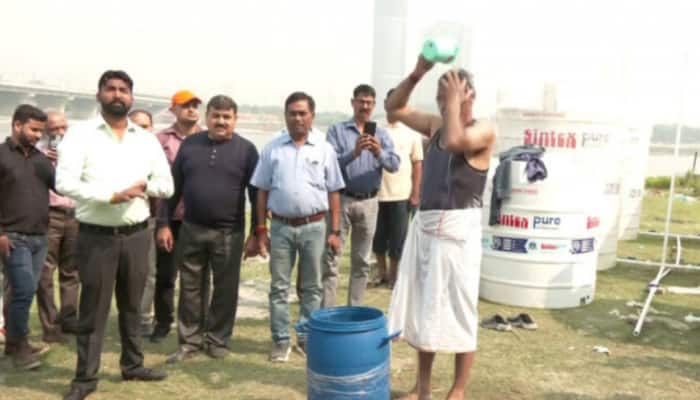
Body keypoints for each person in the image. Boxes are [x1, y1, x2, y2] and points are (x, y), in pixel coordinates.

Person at [57, 70, 173, 400]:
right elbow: (64, 182)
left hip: (138, 234)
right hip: (97, 236)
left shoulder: (146, 139)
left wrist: (143, 188)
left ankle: (133, 365)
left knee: (133, 305)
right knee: (93, 308)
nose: (117, 95)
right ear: (99, 95)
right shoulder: (80, 136)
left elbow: (167, 184)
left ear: (131, 97)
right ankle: (85, 377)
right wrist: (110, 195)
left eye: (124, 90)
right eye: (111, 89)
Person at [385, 57, 495, 400]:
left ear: (469, 94)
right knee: (424, 308)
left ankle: (458, 389)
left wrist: (453, 104)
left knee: (461, 308)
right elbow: (394, 106)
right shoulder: (435, 125)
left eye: (449, 91)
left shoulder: (483, 130)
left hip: (458, 234)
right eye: (440, 92)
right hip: (428, 230)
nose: (442, 98)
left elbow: (456, 141)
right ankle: (423, 387)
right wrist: (419, 72)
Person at [163, 95, 259, 363]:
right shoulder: (191, 145)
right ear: (207, 117)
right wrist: (165, 225)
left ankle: (217, 340)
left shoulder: (247, 150)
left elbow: (256, 194)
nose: (221, 121)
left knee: (225, 288)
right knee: (191, 287)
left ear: (235, 120)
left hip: (229, 232)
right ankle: (189, 341)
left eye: (227, 117)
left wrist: (257, 232)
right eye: (216, 115)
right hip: (192, 228)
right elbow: (173, 189)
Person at [251, 92, 344, 362]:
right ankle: (280, 340)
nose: (297, 118)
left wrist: (335, 232)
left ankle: (305, 338)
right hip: (280, 227)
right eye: (292, 113)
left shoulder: (324, 149)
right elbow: (262, 190)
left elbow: (334, 191)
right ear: (286, 116)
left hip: (315, 227)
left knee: (312, 287)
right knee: (279, 287)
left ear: (312, 116)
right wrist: (260, 229)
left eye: (303, 113)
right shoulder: (273, 148)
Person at [322, 84, 400, 307]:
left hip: (369, 202)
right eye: (361, 101)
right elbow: (329, 165)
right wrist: (354, 153)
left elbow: (394, 165)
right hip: (342, 200)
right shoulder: (337, 131)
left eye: (369, 103)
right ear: (353, 102)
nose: (365, 106)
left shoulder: (382, 134)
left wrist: (378, 152)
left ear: (374, 106)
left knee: (362, 261)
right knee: (331, 258)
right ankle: (328, 311)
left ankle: (353, 311)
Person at [0, 104, 52, 370]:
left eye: (40, 132)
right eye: (33, 129)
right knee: (23, 290)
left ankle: (13, 343)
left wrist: (58, 163)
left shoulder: (41, 159)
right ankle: (19, 347)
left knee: (25, 292)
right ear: (17, 125)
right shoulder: (1, 155)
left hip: (40, 237)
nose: (37, 135)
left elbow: (61, 185)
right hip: (12, 236)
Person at [151, 90, 204, 343]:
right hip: (169, 216)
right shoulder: (159, 140)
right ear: (173, 110)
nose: (191, 110)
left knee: (198, 277)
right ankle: (163, 321)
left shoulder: (208, 140)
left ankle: (195, 324)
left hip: (199, 218)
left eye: (195, 106)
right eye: (185, 106)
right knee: (165, 275)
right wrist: (162, 222)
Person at [370, 89, 423, 289]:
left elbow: (418, 163)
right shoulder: (375, 130)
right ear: (385, 104)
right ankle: (381, 273)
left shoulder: (412, 133)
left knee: (398, 238)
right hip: (376, 194)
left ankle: (394, 276)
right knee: (378, 238)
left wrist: (416, 192)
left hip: (401, 194)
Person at [35, 111, 80, 344]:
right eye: (54, 129)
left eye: (63, 127)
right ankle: (50, 326)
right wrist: (49, 161)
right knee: (45, 272)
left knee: (71, 271)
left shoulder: (76, 154)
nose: (60, 133)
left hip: (74, 215)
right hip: (49, 215)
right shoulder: (38, 155)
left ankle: (70, 320)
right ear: (45, 131)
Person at [127, 108, 158, 337]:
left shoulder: (156, 152)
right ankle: (129, 318)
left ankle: (144, 319)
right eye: (135, 125)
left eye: (145, 125)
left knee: (150, 273)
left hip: (153, 219)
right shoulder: (117, 151)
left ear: (152, 128)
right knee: (129, 274)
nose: (140, 130)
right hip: (122, 221)